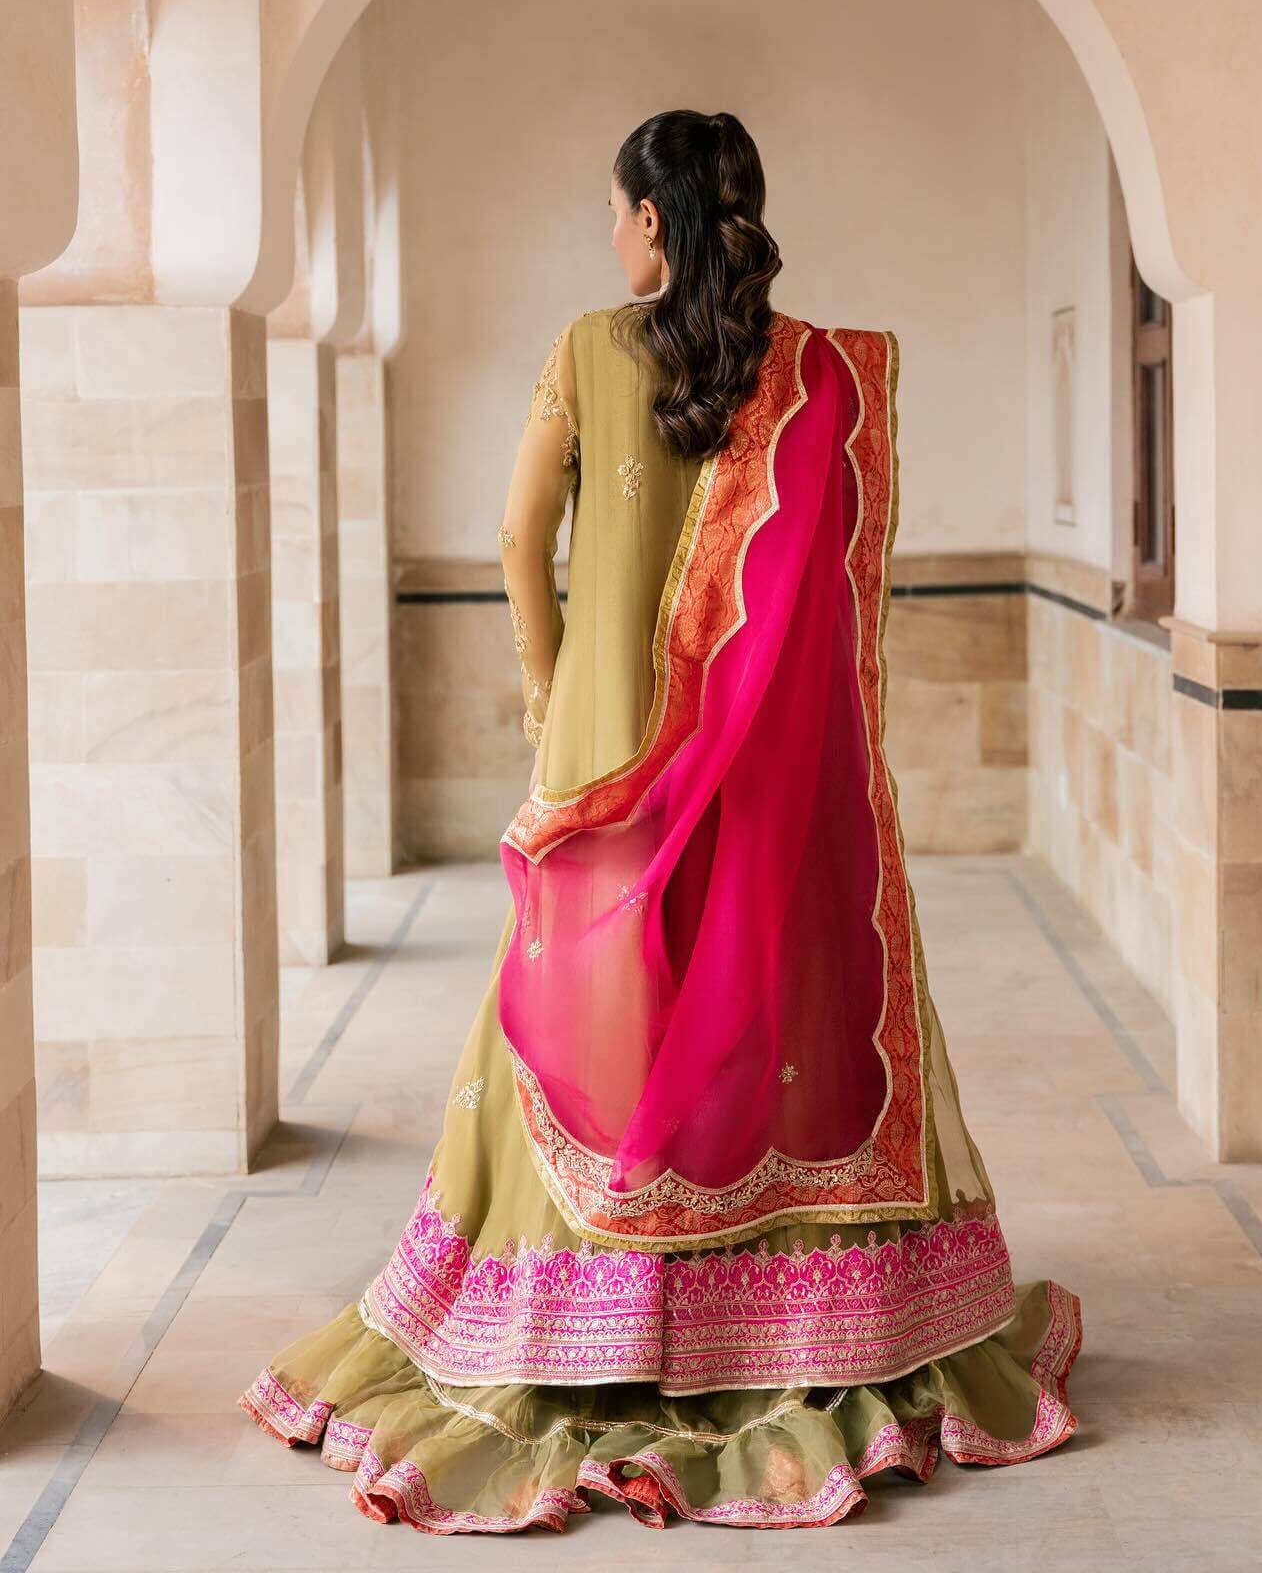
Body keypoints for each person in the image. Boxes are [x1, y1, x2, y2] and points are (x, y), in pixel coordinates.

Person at [239, 109, 1082, 1534]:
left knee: (595, 1018)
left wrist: (544, 685)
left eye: (614, 209)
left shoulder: (588, 347)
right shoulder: (819, 370)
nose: (608, 231)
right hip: (765, 771)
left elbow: (520, 538)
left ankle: (592, 1323)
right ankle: (802, 1324)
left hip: (603, 748)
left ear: (648, 218)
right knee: (765, 1006)